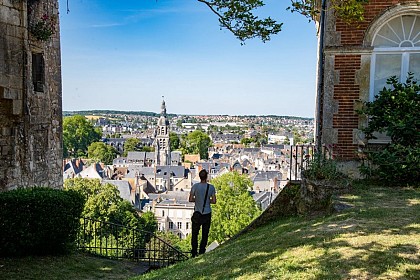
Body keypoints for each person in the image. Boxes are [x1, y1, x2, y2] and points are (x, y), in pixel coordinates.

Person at [189, 169, 216, 257]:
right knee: (205, 234)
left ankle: (194, 252)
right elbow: (214, 201)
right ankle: (201, 251)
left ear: (200, 177)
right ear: (206, 177)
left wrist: (197, 200)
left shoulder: (195, 186)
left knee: (194, 234)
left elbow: (190, 199)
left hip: (197, 213)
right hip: (207, 213)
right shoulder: (211, 187)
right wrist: (208, 201)